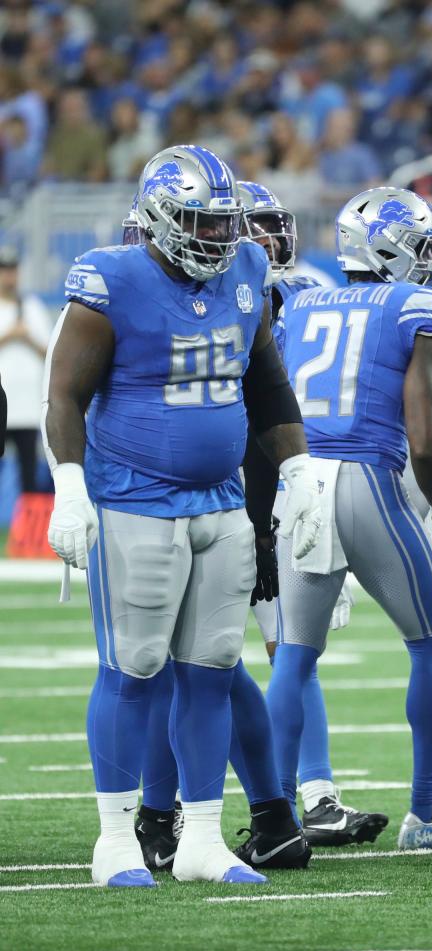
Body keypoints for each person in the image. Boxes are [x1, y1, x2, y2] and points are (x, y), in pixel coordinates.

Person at [42, 145, 324, 888]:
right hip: (133, 500)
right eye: (198, 222)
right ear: (161, 217)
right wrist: (70, 485)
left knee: (211, 670)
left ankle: (201, 835)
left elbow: (265, 383)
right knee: (133, 668)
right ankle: (115, 838)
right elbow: (63, 394)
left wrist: (298, 471)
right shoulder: (113, 279)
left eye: (222, 223)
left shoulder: (247, 273)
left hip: (222, 502)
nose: (215, 238)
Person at [254, 186, 432, 852]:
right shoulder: (414, 303)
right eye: (421, 246)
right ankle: (425, 813)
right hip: (368, 475)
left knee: (294, 658)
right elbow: (425, 436)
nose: (431, 261)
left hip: (302, 482)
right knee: (429, 643)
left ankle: (276, 819)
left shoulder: (302, 300)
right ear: (389, 248)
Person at [237, 179, 389, 849]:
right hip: (208, 492)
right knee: (186, 662)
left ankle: (315, 796)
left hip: (282, 488)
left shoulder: (305, 294)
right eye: (255, 229)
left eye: (275, 228)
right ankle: (172, 804)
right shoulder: (197, 298)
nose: (270, 242)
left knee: (293, 651)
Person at [0, 246, 51, 495]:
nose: (9, 276)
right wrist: (9, 335)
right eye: (4, 270)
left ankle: (28, 533)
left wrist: (27, 337)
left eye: (12, 270)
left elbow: (51, 352)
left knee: (29, 476)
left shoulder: (32, 307)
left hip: (27, 407)